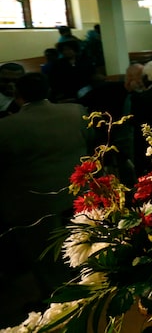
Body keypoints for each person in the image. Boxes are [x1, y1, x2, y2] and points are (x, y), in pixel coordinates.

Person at [0, 73, 91, 322]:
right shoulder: (76, 111)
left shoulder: (6, 127)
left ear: (18, 97)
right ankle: (93, 290)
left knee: (46, 259)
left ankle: (59, 306)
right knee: (84, 244)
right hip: (79, 194)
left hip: (34, 205)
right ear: (49, 90)